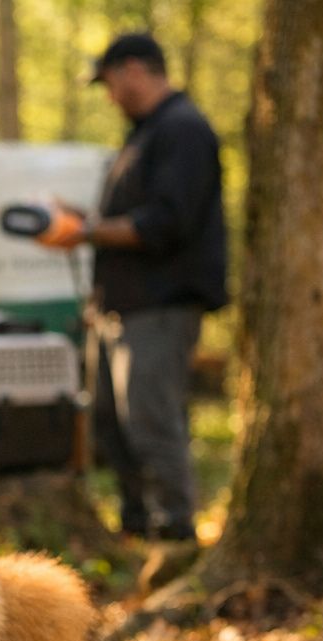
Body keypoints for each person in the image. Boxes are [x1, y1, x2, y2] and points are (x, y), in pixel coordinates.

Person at [42, 32, 227, 542]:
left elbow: (168, 222)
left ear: (134, 71)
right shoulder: (142, 136)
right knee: (109, 421)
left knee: (150, 419)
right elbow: (127, 219)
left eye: (110, 82)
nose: (109, 96)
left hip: (161, 305)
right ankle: (136, 525)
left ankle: (175, 532)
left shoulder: (183, 130)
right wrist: (80, 223)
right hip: (120, 307)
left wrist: (87, 231)